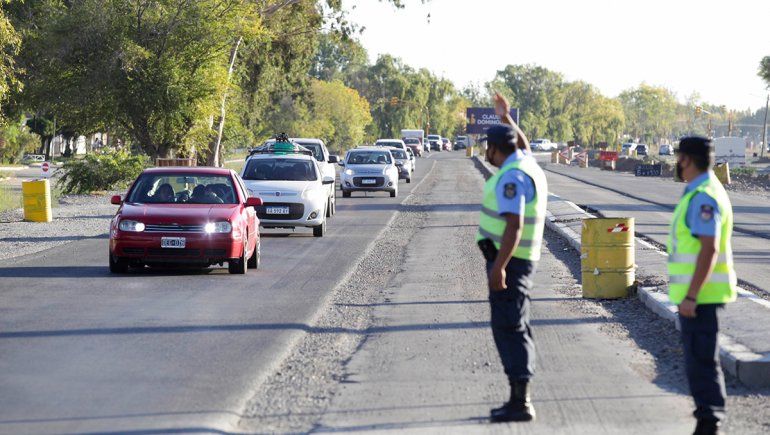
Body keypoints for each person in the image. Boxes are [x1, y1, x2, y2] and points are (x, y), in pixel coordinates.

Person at [476, 93, 546, 423]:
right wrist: (506, 119)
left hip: (511, 262)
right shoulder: (524, 162)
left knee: (510, 327)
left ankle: (520, 402)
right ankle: (518, 398)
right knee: (515, 324)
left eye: (486, 148)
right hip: (516, 260)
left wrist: (499, 267)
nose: (484, 154)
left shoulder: (513, 177)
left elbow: (514, 224)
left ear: (495, 149)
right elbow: (525, 144)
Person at [668, 136, 736, 435]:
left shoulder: (704, 197)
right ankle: (707, 421)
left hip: (701, 296)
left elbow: (709, 249)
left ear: (687, 159)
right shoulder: (701, 191)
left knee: (702, 362)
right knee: (698, 360)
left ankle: (710, 423)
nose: (676, 163)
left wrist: (692, 295)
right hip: (698, 294)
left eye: (678, 157)